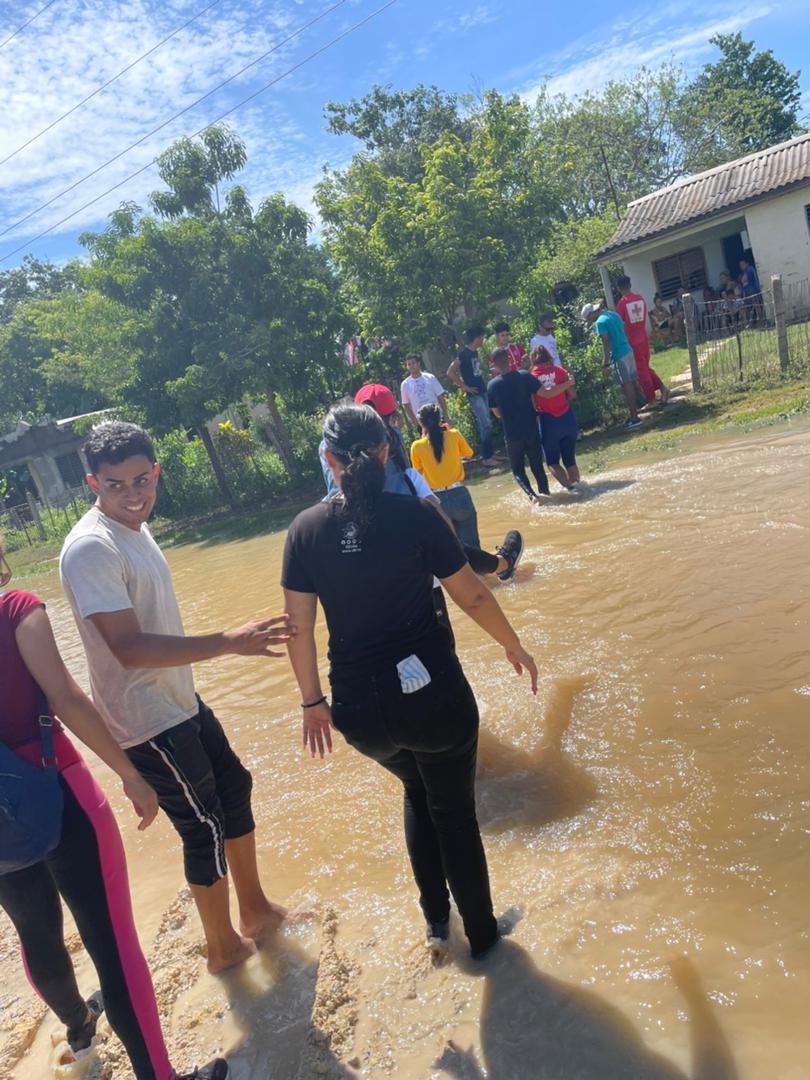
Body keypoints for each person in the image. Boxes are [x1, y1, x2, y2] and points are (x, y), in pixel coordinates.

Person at [282, 404, 538, 959]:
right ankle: (486, 940)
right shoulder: (419, 516)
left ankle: (436, 927)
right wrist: (512, 644)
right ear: (384, 452)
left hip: (358, 713)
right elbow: (470, 593)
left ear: (327, 459)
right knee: (454, 812)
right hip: (434, 702)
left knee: (417, 793)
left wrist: (311, 703)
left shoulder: (304, 530)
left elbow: (297, 628)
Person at [59, 422, 292, 976]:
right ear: (93, 483)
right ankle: (222, 950)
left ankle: (254, 910)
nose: (133, 494)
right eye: (115, 485)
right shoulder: (91, 548)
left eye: (142, 479)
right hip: (145, 720)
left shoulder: (135, 525)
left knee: (234, 787)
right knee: (203, 827)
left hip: (178, 699)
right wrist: (228, 643)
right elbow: (128, 648)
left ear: (156, 471)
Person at [0, 538, 228, 1080]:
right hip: (58, 791)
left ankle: (80, 1031)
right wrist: (129, 773)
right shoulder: (17, 612)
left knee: (34, 932)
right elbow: (67, 698)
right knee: (113, 946)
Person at [321, 388, 524, 584]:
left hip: (357, 558)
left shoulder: (316, 519)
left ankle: (500, 564)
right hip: (420, 542)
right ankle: (502, 564)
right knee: (453, 548)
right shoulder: (396, 443)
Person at [410, 404, 482, 548]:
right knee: (473, 545)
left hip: (436, 501)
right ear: (440, 419)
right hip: (459, 494)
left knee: (450, 550)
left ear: (420, 423)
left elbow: (417, 471)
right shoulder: (454, 435)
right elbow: (469, 453)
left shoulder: (416, 446)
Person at [486, 347, 551, 504]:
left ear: (493, 365)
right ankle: (546, 493)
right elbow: (543, 392)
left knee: (518, 471)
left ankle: (532, 496)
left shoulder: (492, 386)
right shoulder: (524, 376)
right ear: (509, 358)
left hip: (513, 434)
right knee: (537, 466)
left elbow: (497, 413)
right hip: (531, 429)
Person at [581, 301, 642, 429]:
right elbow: (623, 331)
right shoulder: (613, 314)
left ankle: (634, 418)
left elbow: (606, 343)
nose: (589, 321)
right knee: (631, 382)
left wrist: (605, 363)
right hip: (628, 350)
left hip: (619, 355)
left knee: (627, 386)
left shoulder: (600, 322)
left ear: (592, 314)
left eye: (588, 318)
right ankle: (635, 413)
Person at [446, 326, 498, 468]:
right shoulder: (463, 354)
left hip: (482, 390)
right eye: (481, 337)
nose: (483, 340)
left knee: (487, 423)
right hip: (474, 394)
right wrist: (465, 387)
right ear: (477, 338)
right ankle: (487, 457)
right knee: (485, 424)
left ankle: (490, 454)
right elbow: (450, 372)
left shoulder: (476, 353)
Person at [530, 345, 581, 489]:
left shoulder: (532, 377)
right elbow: (573, 394)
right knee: (570, 460)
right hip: (568, 419)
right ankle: (579, 488)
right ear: (548, 356)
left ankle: (570, 490)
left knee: (552, 462)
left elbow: (532, 403)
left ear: (533, 360)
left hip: (548, 422)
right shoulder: (560, 371)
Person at [614, 275, 669, 408]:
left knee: (641, 371)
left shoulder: (622, 303)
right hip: (643, 337)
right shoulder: (640, 298)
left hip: (633, 340)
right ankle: (663, 389)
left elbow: (619, 323)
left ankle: (651, 400)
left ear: (618, 288)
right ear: (630, 284)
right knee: (645, 368)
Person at [400, 354, 448, 430]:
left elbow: (440, 397)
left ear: (418, 363)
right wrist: (415, 423)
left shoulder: (430, 377)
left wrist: (446, 416)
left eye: (413, 363)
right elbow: (406, 405)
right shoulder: (405, 384)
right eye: (409, 364)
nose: (411, 366)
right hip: (422, 422)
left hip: (437, 418)